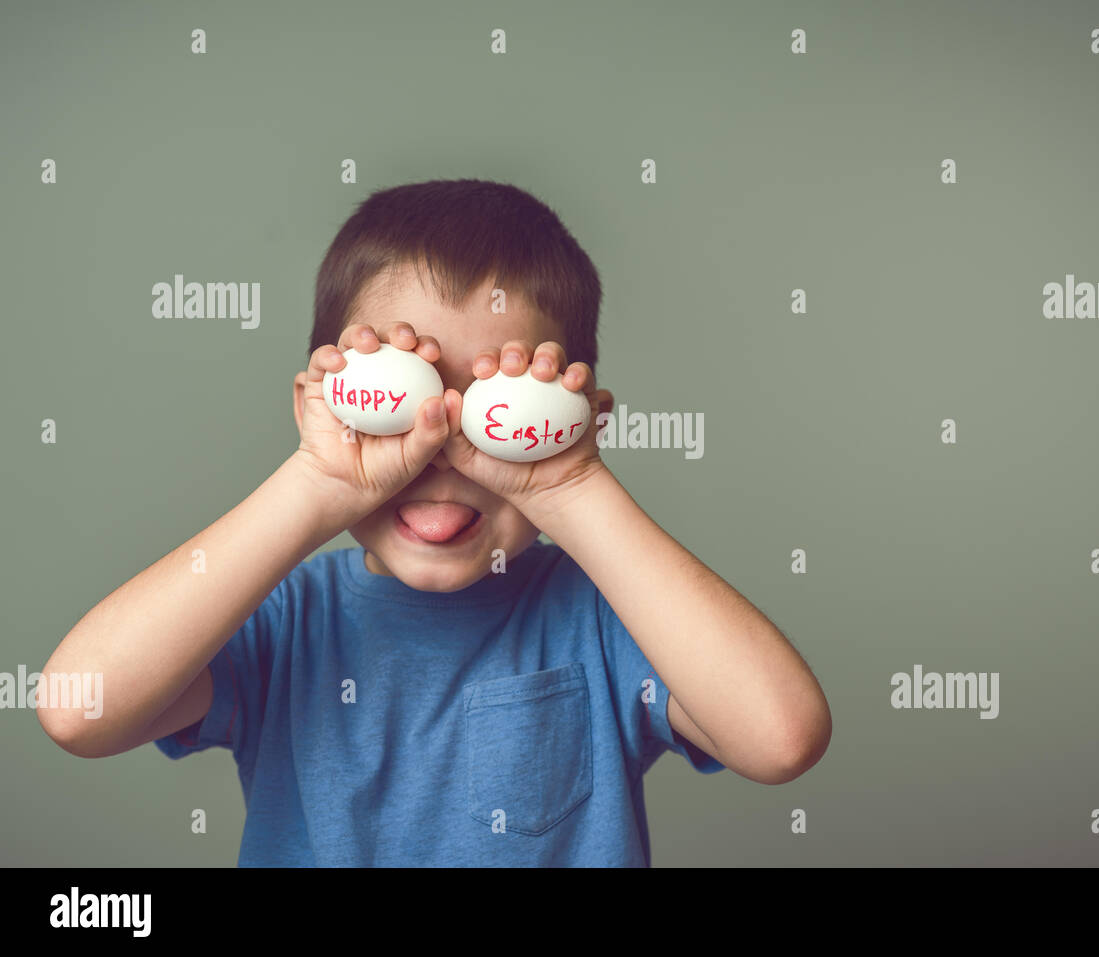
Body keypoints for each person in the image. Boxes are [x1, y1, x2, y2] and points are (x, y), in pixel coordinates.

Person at [37, 178, 832, 866]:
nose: (441, 456)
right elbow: (78, 708)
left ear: (581, 425)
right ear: (318, 411)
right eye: (398, 408)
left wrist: (574, 485)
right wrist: (316, 481)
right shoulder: (286, 621)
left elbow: (782, 736)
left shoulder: (604, 619)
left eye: (490, 416)